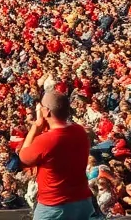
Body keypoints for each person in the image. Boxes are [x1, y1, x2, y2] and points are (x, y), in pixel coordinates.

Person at [17, 90, 94, 220]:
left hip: (54, 206)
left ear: (46, 111)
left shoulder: (47, 140)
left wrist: (36, 127)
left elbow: (24, 157)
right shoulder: (79, 131)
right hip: (82, 201)